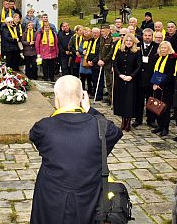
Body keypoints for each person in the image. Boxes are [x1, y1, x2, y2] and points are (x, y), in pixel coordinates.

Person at [29, 75, 123, 224]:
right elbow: (116, 132)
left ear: (56, 98)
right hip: (89, 199)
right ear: (82, 97)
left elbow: (36, 139)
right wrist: (90, 110)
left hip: (51, 199)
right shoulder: (101, 127)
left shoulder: (43, 127)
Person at [113, 33, 141, 131]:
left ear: (133, 42)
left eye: (130, 41)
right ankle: (123, 120)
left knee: (129, 101)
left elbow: (138, 66)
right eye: (127, 40)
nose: (128, 42)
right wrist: (120, 75)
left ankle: (128, 121)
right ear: (124, 41)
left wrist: (131, 76)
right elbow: (115, 64)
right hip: (120, 79)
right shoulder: (119, 51)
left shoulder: (136, 52)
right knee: (121, 100)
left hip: (131, 80)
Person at [150, 41, 176, 136]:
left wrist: (161, 84)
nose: (163, 49)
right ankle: (159, 125)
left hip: (166, 87)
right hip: (156, 86)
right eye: (162, 48)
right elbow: (154, 72)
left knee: (165, 108)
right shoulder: (158, 57)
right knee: (157, 107)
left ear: (169, 49)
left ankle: (165, 127)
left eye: (165, 48)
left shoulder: (172, 59)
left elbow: (170, 74)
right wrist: (154, 83)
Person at [134, 28, 159, 128]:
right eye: (145, 35)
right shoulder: (137, 46)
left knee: (151, 100)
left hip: (151, 79)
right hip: (139, 78)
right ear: (142, 36)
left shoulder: (156, 47)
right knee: (138, 101)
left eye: (149, 36)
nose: (147, 37)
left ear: (152, 37)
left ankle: (151, 120)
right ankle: (138, 119)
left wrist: (156, 81)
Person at [36, 16, 59, 82]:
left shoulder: (54, 34)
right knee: (45, 68)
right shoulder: (40, 34)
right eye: (45, 27)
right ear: (43, 28)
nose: (47, 28)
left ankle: (52, 78)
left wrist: (57, 52)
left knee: (52, 67)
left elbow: (56, 44)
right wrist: (38, 53)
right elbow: (37, 44)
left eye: (48, 27)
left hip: (52, 54)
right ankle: (45, 78)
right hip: (43, 54)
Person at [96, 24, 115, 103]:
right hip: (103, 63)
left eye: (103, 31)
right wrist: (100, 59)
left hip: (110, 63)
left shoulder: (112, 37)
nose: (102, 32)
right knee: (107, 82)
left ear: (108, 30)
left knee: (111, 81)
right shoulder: (101, 38)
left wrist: (104, 60)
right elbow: (100, 50)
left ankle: (113, 99)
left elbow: (111, 52)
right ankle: (110, 98)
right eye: (101, 31)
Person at [86, 27, 103, 100]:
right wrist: (88, 60)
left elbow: (99, 53)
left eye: (96, 33)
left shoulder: (101, 41)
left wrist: (93, 61)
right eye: (93, 33)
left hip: (97, 63)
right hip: (91, 62)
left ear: (99, 33)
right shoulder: (91, 40)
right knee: (94, 79)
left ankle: (99, 95)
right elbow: (88, 50)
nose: (94, 34)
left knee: (99, 80)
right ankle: (94, 91)